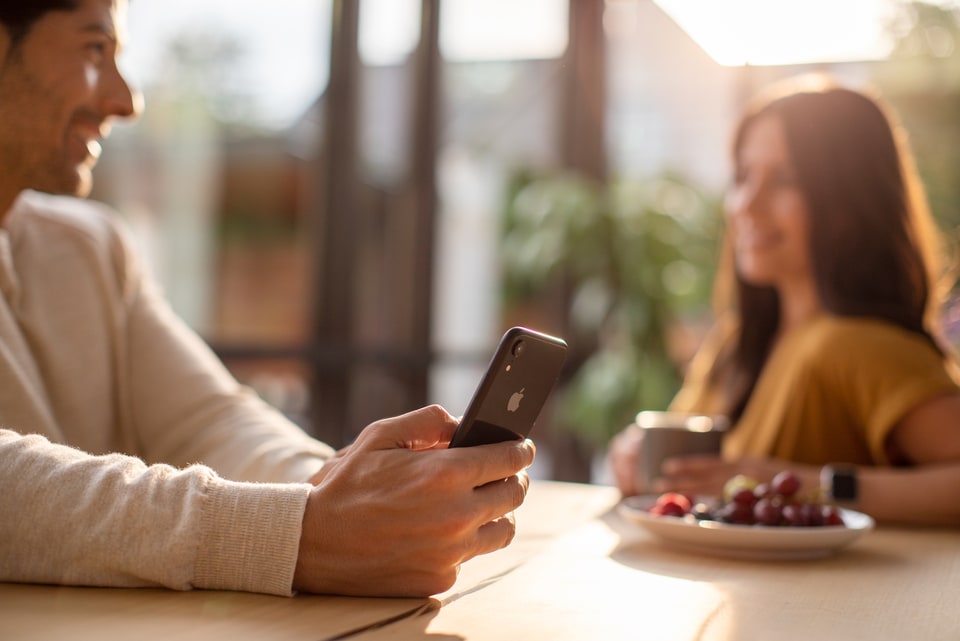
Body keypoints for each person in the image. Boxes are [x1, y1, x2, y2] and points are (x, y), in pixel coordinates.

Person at [0, 0, 534, 597]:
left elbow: (210, 419)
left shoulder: (90, 247)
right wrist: (296, 535)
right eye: (95, 49)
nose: (127, 101)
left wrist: (338, 491)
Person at [609, 73, 960, 527]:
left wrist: (805, 483)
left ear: (849, 202)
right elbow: (682, 482)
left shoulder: (858, 346)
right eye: (743, 176)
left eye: (784, 180)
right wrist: (634, 452)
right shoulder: (737, 344)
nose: (745, 205)